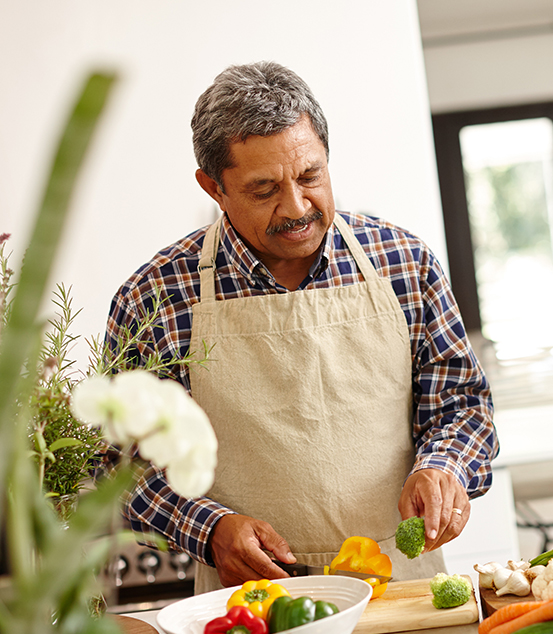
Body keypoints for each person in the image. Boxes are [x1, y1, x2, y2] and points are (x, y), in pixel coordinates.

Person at [105, 61, 498, 592]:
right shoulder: (151, 298)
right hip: (249, 600)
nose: (296, 207)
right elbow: (128, 467)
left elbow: (462, 406)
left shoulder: (405, 262)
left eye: (310, 176)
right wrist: (211, 530)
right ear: (213, 187)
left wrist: (444, 467)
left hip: (399, 583)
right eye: (264, 189)